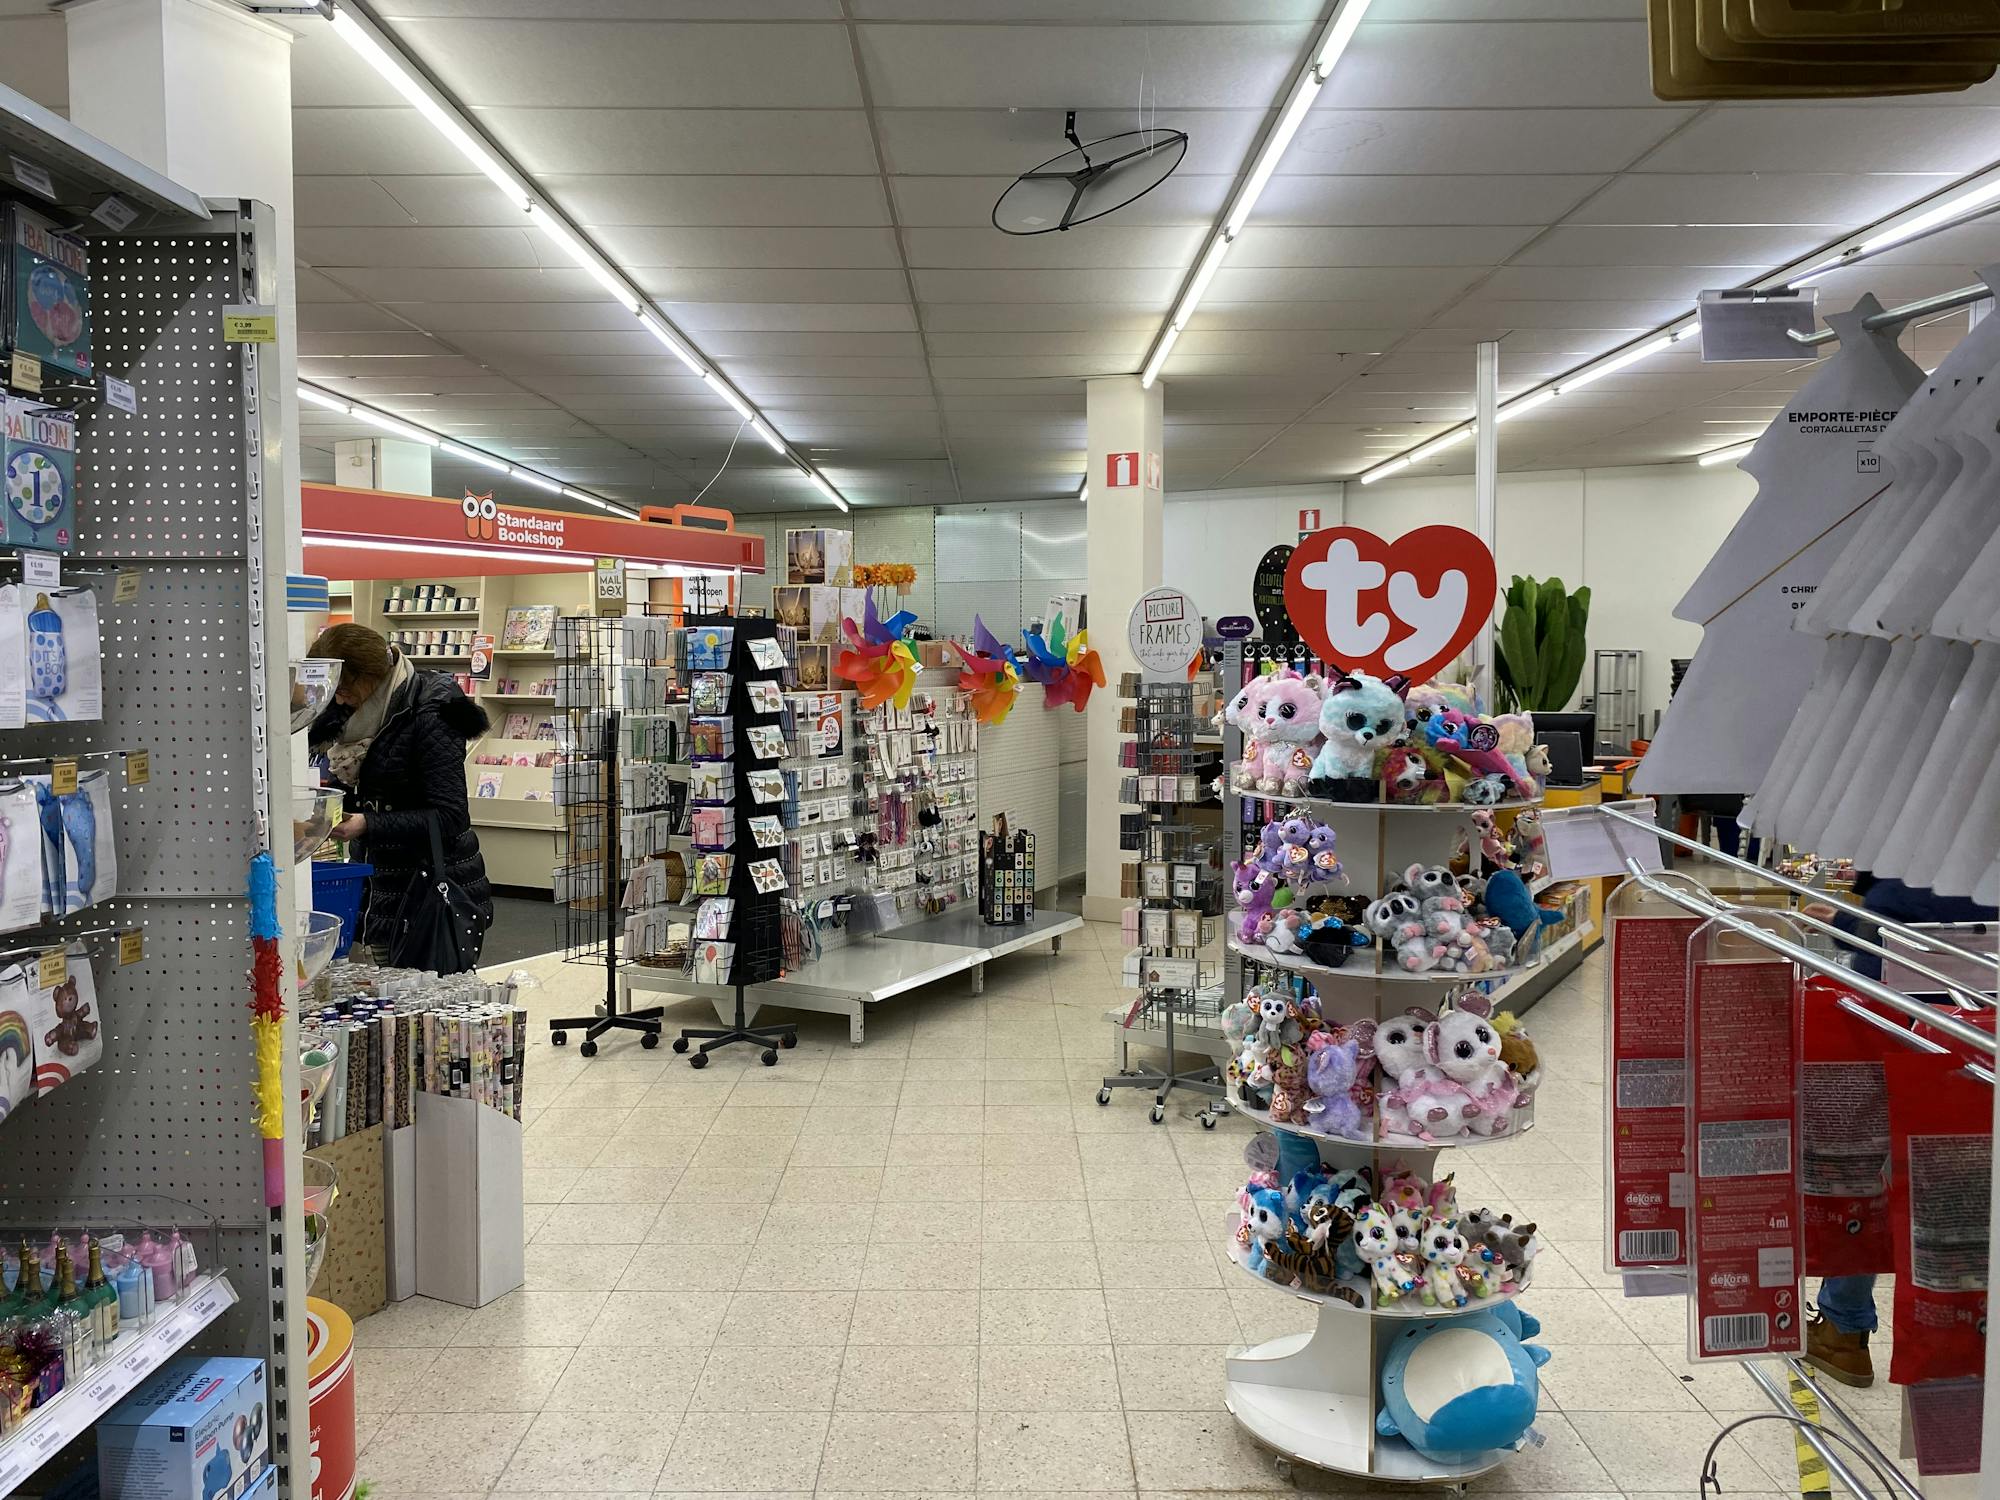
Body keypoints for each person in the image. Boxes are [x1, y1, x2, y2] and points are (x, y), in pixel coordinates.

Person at [1808, 872, 1997, 1387]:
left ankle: (1844, 1330)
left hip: (1898, 1030)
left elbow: (1896, 916)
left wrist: (1849, 922)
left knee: (1867, 1177)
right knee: (1967, 1190)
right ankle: (1967, 1344)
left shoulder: (1928, 852)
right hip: (1979, 1047)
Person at [306, 623, 494, 971]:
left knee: (427, 996)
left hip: (429, 891)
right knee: (384, 990)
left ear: (369, 676)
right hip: (378, 885)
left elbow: (451, 816)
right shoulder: (350, 715)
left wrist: (368, 824)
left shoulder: (434, 710)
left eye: (343, 689)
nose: (338, 699)